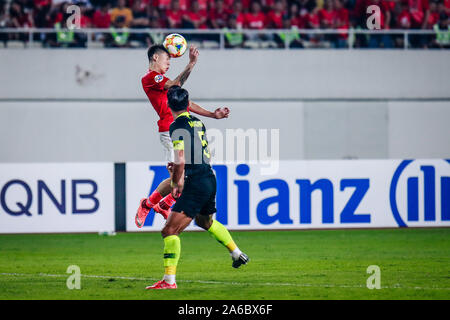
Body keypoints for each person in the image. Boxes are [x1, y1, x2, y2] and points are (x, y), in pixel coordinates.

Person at [146, 86, 250, 290]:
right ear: (187, 104)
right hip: (209, 177)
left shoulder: (176, 126)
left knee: (169, 230)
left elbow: (181, 158)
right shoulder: (197, 121)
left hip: (195, 181)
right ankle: (237, 253)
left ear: (168, 105)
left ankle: (169, 282)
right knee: (205, 221)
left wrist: (177, 182)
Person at [135, 44, 230, 226]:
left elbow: (186, 102)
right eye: (167, 59)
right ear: (155, 58)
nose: (169, 63)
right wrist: (191, 64)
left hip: (182, 128)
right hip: (169, 129)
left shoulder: (164, 81)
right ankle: (150, 204)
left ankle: (161, 204)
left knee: (183, 175)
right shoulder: (150, 78)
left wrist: (212, 114)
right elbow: (175, 84)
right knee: (181, 174)